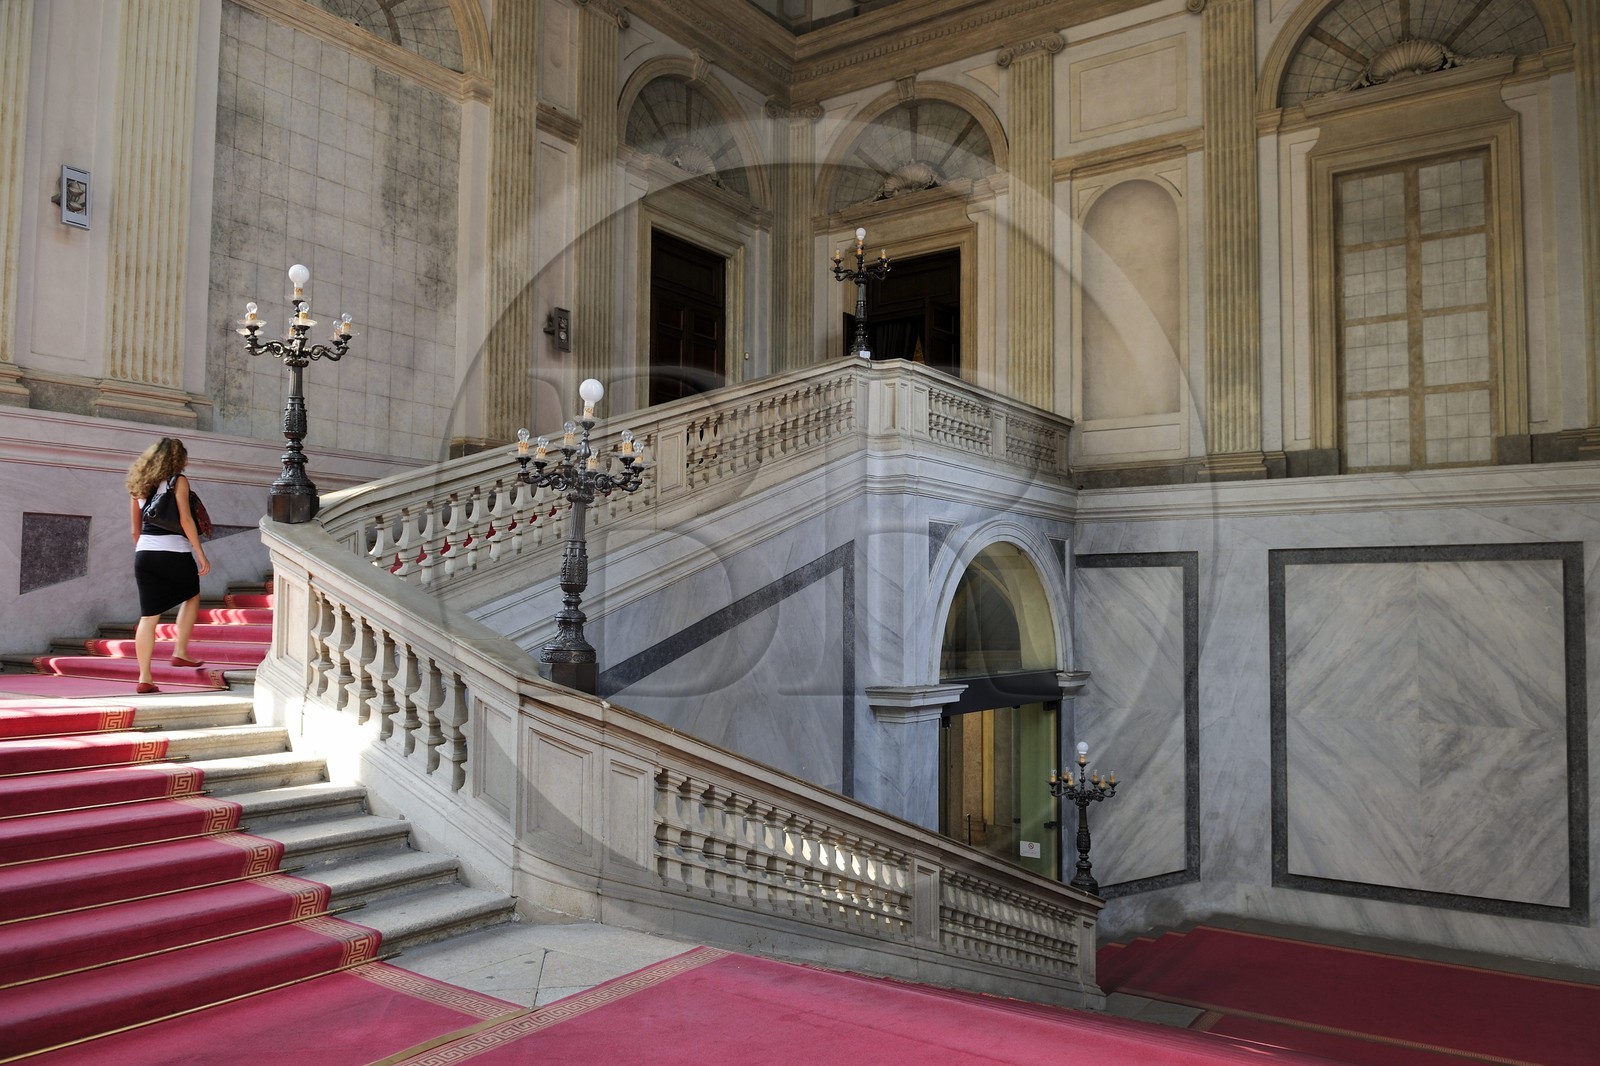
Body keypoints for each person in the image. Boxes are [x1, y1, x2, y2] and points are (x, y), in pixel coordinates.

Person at [126, 438, 210, 693]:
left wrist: (146, 550)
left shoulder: (138, 485)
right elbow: (185, 518)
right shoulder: (178, 481)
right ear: (177, 459)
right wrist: (200, 552)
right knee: (192, 595)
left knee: (148, 617)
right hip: (174, 551)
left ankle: (144, 677)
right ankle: (180, 650)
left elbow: (134, 530)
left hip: (144, 554)